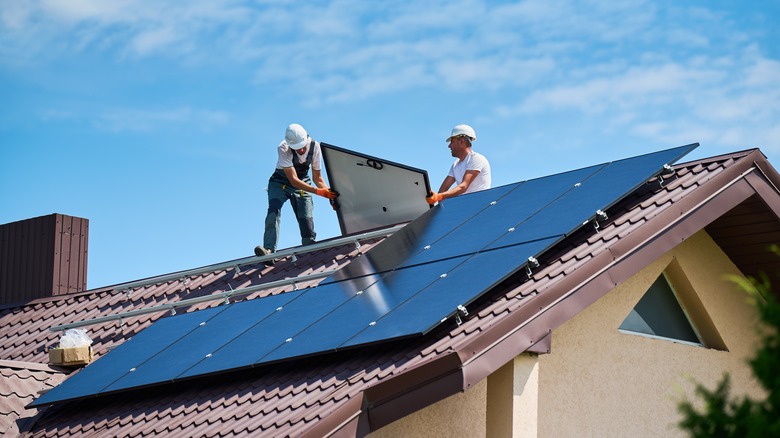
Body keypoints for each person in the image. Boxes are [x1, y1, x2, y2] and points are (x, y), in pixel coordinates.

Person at [255, 124, 338, 261]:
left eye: (302, 146)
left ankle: (309, 245)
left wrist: (330, 195)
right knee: (273, 210)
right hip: (280, 182)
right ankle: (269, 251)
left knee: (306, 214)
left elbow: (317, 177)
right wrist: (318, 192)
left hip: (303, 181)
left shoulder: (315, 146)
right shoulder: (283, 148)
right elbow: (293, 180)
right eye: (297, 148)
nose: (301, 149)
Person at [426, 124, 491, 204]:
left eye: (452, 142)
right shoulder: (456, 165)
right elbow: (443, 189)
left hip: (480, 205)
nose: (449, 146)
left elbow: (463, 186)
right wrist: (433, 196)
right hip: (466, 205)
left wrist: (439, 196)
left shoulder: (476, 159)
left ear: (461, 142)